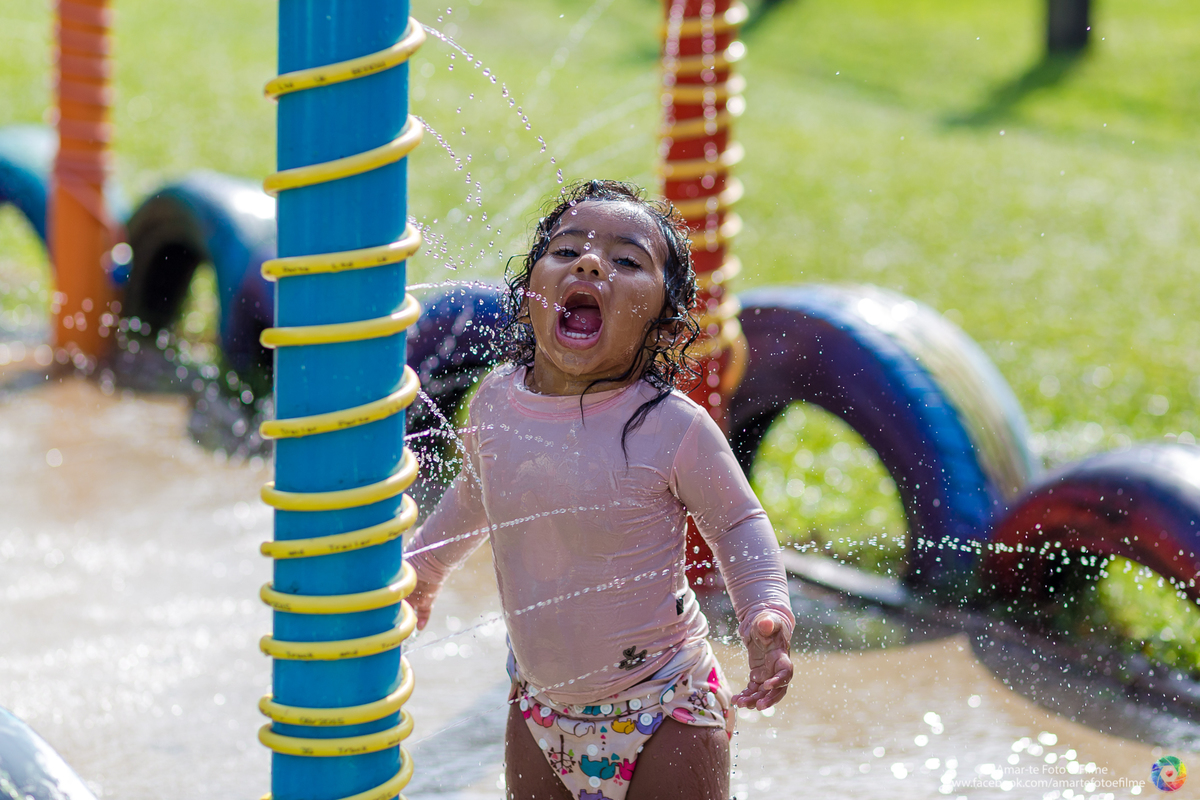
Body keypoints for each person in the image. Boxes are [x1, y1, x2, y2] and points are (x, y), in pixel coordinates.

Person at [406, 180, 795, 800]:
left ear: (666, 324)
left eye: (627, 261)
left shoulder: (672, 427)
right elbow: (473, 499)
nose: (590, 262)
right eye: (566, 252)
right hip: (540, 710)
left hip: (667, 707)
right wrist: (424, 570)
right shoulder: (497, 405)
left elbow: (738, 523)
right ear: (530, 290)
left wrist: (763, 608)